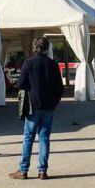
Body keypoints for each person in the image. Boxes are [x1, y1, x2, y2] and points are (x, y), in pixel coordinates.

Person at [9, 36, 64, 180]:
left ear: (34, 48)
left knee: (28, 137)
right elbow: (59, 88)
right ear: (47, 48)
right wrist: (54, 103)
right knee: (44, 138)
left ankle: (23, 169)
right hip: (48, 106)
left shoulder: (29, 63)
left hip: (33, 105)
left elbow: (20, 83)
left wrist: (31, 87)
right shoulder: (53, 64)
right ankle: (42, 170)